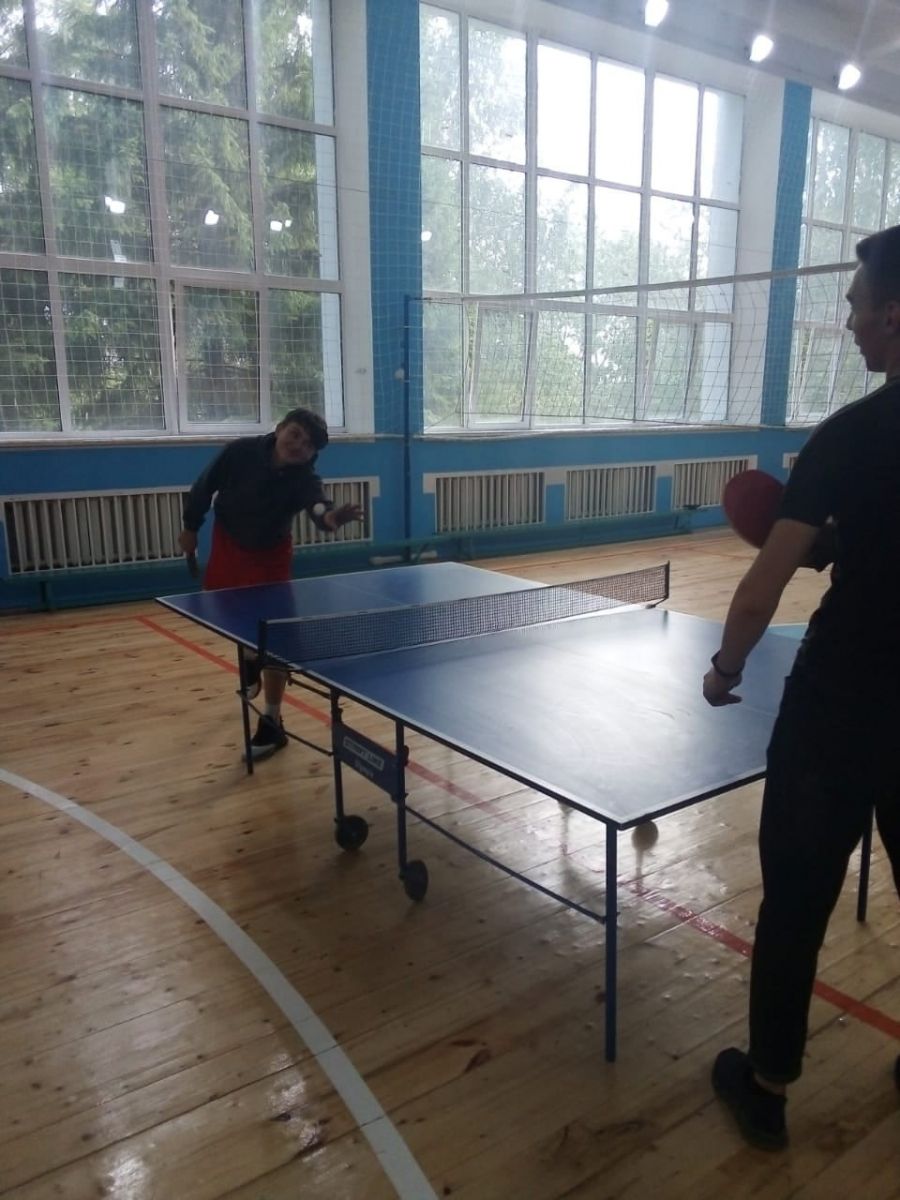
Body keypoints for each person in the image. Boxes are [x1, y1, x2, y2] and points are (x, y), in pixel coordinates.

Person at [702, 223, 900, 1151]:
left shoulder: (849, 436)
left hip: (842, 705)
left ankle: (768, 1085)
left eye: (856, 303)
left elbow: (759, 593)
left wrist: (724, 670)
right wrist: (842, 543)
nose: (848, 319)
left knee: (795, 900)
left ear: (894, 315)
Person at [179, 408, 363, 761]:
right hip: (229, 542)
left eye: (308, 445)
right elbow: (203, 487)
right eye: (295, 435)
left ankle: (272, 722)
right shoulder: (239, 452)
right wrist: (190, 527)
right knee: (232, 618)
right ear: (279, 429)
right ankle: (251, 659)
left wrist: (331, 517)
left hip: (271, 556)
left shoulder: (304, 478)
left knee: (276, 640)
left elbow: (318, 506)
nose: (298, 446)